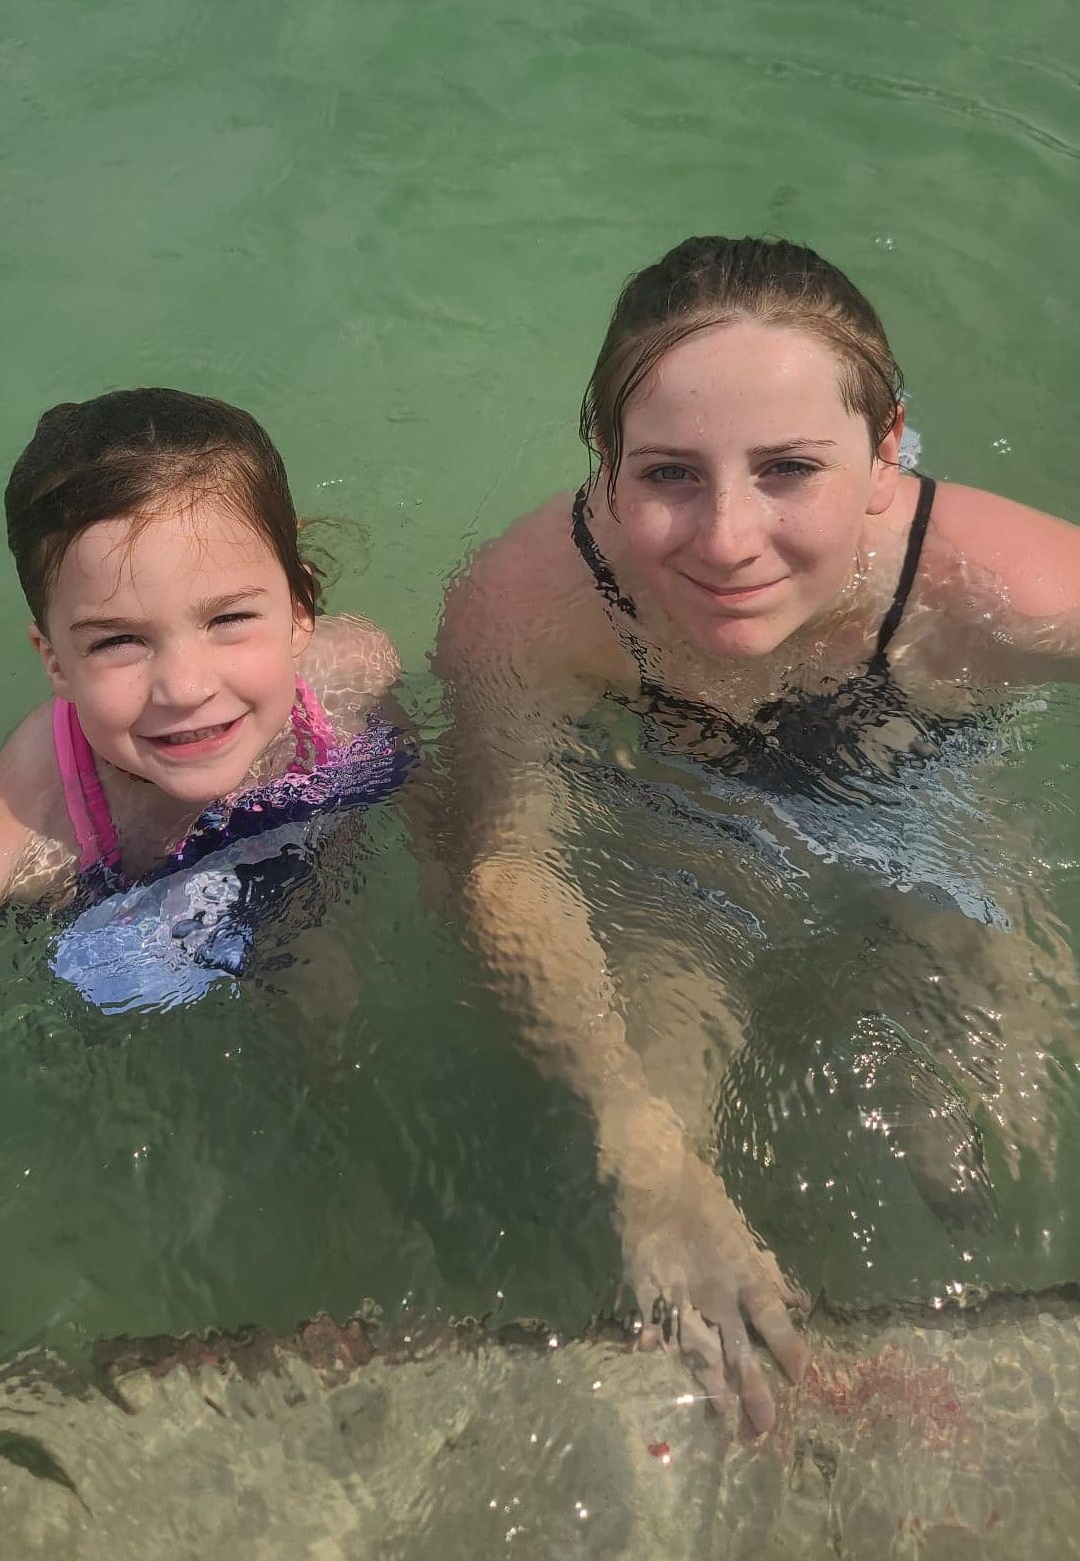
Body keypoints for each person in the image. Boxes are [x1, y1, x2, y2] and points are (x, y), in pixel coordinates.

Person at [435, 235, 1080, 1431]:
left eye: (789, 467)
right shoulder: (527, 608)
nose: (728, 538)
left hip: (920, 788)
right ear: (605, 461)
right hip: (677, 816)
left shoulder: (1001, 588)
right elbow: (507, 863)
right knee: (654, 1158)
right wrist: (640, 1138)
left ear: (886, 453)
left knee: (992, 1149)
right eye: (670, 474)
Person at [0, 388, 409, 1008]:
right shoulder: (36, 803)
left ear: (299, 610)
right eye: (119, 640)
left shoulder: (354, 673)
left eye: (229, 619)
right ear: (55, 662)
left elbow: (422, 793)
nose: (185, 688)